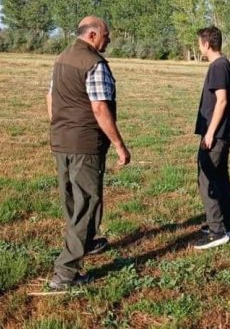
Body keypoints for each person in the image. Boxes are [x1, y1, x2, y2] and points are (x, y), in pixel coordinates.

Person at [45, 16, 131, 290]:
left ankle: (87, 242)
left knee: (72, 198)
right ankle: (66, 273)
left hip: (61, 140)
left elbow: (50, 97)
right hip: (85, 144)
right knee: (89, 203)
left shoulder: (61, 58)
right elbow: (99, 108)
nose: (109, 39)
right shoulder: (95, 63)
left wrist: (60, 126)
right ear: (93, 35)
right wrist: (119, 145)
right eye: (107, 35)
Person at [192, 26, 230, 250]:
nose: (199, 47)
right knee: (220, 178)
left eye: (199, 43)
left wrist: (210, 133)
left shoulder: (218, 67)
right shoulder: (224, 65)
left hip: (216, 135)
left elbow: (221, 101)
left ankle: (217, 230)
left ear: (207, 44)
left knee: (207, 179)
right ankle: (225, 224)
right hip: (222, 134)